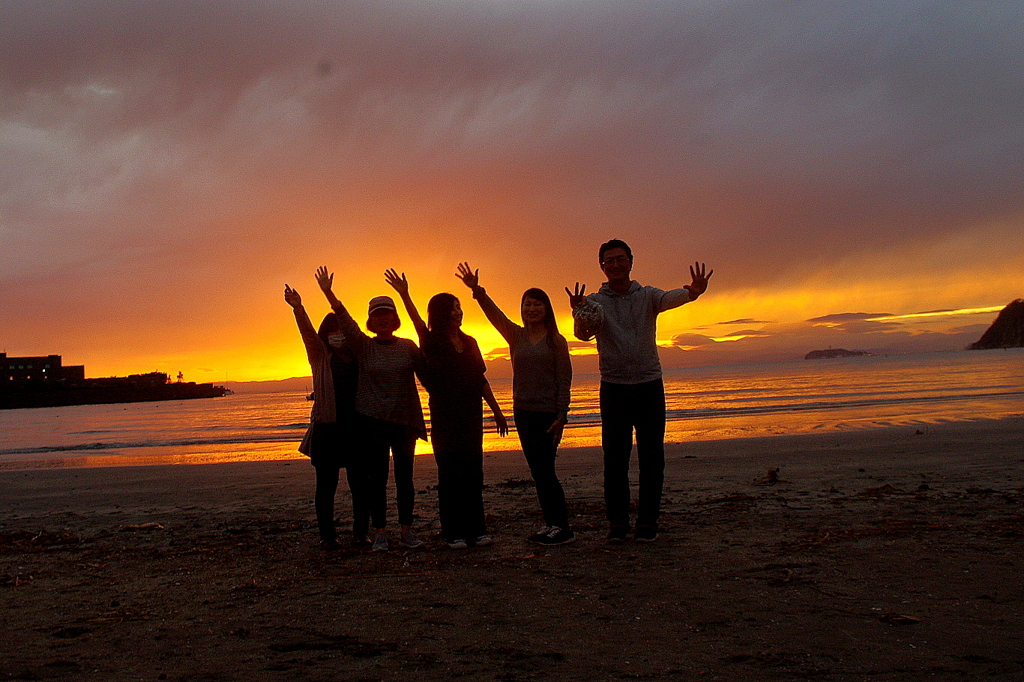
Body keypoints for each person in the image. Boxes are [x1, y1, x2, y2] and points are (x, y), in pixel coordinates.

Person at [566, 239, 712, 543]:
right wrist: (579, 311)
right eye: (609, 261)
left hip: (649, 386)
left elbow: (672, 297)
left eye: (621, 259)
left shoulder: (647, 296)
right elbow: (582, 336)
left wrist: (693, 293)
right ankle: (618, 524)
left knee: (652, 458)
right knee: (615, 460)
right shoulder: (595, 301)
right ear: (602, 267)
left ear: (631, 262)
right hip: (614, 388)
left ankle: (648, 522)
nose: (615, 265)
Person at [385, 269, 508, 549]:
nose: (458, 313)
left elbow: (480, 379)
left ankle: (477, 530)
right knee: (449, 474)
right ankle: (452, 532)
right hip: (444, 415)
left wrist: (497, 412)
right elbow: (417, 322)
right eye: (454, 308)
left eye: (460, 308)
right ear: (441, 313)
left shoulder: (471, 342)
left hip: (471, 415)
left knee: (474, 472)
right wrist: (404, 293)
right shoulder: (431, 340)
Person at [456, 262, 575, 546]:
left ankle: (561, 527)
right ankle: (553, 525)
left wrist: (562, 415)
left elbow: (564, 380)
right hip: (523, 413)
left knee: (545, 470)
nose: (531, 309)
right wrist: (477, 290)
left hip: (549, 416)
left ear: (546, 309)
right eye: (526, 305)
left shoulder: (556, 341)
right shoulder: (516, 336)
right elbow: (494, 315)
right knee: (538, 471)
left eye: (536, 304)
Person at [315, 266, 427, 552]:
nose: (383, 318)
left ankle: (406, 530)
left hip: (403, 422)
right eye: (377, 314)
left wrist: (405, 294)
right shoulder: (364, 347)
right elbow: (345, 320)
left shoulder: (408, 346)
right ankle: (380, 532)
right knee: (376, 479)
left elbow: (429, 377)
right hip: (373, 424)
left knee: (405, 477)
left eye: (387, 313)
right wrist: (329, 293)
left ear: (395, 318)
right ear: (370, 320)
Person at [283, 284, 359, 550]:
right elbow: (307, 335)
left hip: (356, 429)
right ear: (326, 334)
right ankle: (328, 536)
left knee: (360, 485)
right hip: (327, 430)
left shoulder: (357, 357)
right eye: (332, 331)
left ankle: (361, 534)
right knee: (326, 487)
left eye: (341, 330)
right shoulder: (320, 357)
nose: (337, 335)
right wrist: (299, 308)